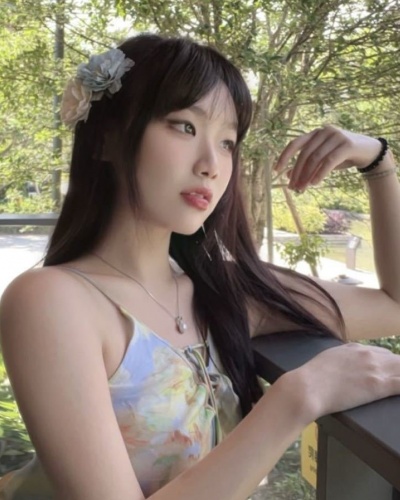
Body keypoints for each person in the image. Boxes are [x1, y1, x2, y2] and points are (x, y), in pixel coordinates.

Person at [1, 32, 400, 500]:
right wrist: (299, 396)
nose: (212, 164)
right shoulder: (52, 300)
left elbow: (393, 305)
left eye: (228, 142)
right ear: (107, 138)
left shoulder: (220, 293)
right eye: (184, 127)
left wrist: (379, 163)